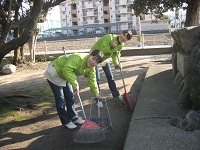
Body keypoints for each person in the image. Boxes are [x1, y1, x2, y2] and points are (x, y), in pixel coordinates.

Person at [44, 50, 104, 129]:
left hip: (66, 75)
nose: (93, 62)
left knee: (70, 96)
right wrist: (75, 84)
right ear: (90, 55)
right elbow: (67, 69)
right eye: (93, 58)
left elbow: (92, 80)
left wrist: (96, 93)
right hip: (55, 72)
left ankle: (74, 118)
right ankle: (66, 121)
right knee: (60, 99)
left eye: (96, 62)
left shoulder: (91, 68)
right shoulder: (78, 58)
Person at [91, 30, 133, 107]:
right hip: (95, 57)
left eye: (126, 38)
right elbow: (101, 50)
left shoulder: (121, 45)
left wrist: (117, 64)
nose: (124, 38)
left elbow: (115, 54)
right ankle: (98, 99)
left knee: (110, 76)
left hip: (105, 59)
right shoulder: (109, 37)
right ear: (121, 33)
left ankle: (116, 94)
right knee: (96, 79)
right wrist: (111, 46)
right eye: (124, 35)